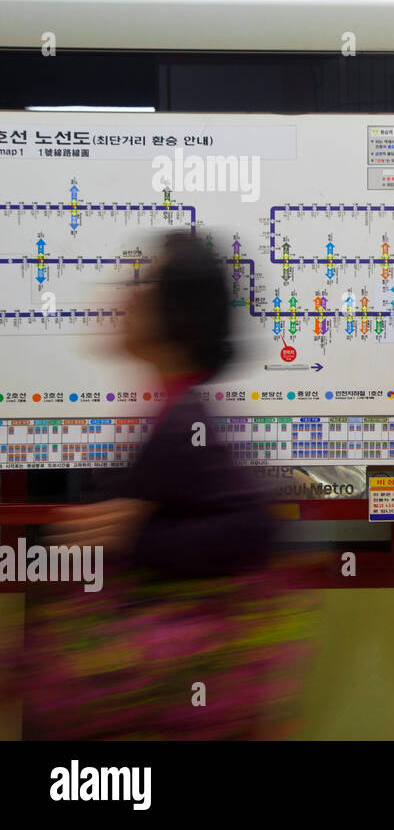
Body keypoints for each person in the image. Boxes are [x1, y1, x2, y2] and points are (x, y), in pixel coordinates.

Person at [12, 231, 313, 738]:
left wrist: (138, 537)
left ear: (175, 313)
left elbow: (255, 528)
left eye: (144, 282)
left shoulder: (181, 419)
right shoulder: (171, 408)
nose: (125, 295)